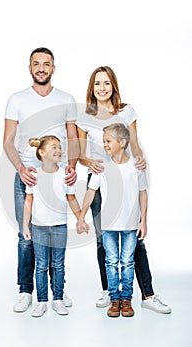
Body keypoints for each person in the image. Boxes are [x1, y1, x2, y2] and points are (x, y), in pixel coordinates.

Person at [76, 66, 171, 314]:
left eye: (107, 83)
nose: (102, 88)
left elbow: (134, 145)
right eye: (97, 83)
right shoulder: (85, 117)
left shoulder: (127, 112)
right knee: (102, 239)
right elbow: (80, 155)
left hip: (127, 176)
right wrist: (92, 163)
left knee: (135, 238)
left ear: (114, 86)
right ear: (91, 87)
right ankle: (111, 292)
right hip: (100, 177)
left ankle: (147, 295)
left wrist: (138, 161)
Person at [3, 47, 79, 312]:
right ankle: (26, 291)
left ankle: (58, 291)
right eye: (37, 63)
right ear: (30, 68)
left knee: (55, 231)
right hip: (28, 175)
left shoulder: (66, 99)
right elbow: (8, 141)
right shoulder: (17, 99)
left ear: (53, 69)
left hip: (57, 177)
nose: (41, 68)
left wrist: (71, 165)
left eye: (47, 64)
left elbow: (72, 137)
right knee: (27, 236)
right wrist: (21, 167)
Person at [77, 123, 148, 317]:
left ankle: (127, 300)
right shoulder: (102, 167)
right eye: (103, 141)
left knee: (127, 262)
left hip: (130, 224)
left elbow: (143, 193)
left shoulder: (136, 166)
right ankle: (114, 299)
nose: (104, 145)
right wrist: (81, 216)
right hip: (108, 224)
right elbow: (91, 192)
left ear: (122, 143)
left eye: (108, 141)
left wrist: (144, 221)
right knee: (111, 261)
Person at [23, 135, 86, 317]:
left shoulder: (65, 174)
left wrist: (80, 219)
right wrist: (25, 226)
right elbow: (29, 201)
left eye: (60, 147)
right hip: (39, 227)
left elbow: (71, 198)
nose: (59, 150)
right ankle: (42, 301)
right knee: (41, 265)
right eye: (53, 147)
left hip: (59, 227)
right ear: (41, 153)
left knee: (58, 264)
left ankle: (57, 299)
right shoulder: (33, 174)